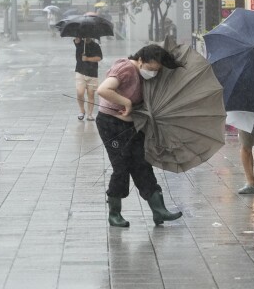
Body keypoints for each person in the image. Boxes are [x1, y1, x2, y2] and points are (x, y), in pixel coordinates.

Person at [95, 44, 183, 227]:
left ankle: (159, 211)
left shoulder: (145, 72)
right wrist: (125, 102)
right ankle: (114, 213)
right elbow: (103, 90)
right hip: (110, 124)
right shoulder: (126, 68)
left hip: (131, 125)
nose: (153, 73)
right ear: (141, 60)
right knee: (121, 167)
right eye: (151, 69)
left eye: (156, 70)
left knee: (142, 164)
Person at [74, 37, 102, 121]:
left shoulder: (96, 46)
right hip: (80, 71)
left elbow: (99, 58)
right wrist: (78, 37)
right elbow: (76, 40)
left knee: (91, 94)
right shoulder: (79, 43)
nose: (86, 37)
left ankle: (89, 114)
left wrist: (87, 59)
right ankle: (82, 110)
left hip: (92, 73)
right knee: (80, 92)